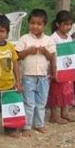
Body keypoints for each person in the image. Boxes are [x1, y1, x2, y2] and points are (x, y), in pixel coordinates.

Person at [16, 9, 56, 137]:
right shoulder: (24, 39)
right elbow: (17, 56)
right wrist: (27, 51)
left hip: (43, 77)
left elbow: (52, 57)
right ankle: (27, 125)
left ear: (44, 25)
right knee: (28, 102)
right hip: (28, 76)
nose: (35, 26)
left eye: (39, 24)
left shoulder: (49, 40)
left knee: (41, 102)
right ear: (28, 24)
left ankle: (39, 124)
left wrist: (45, 52)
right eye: (32, 23)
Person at [48, 10, 75, 124]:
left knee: (66, 91)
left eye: (70, 24)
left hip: (67, 69)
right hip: (57, 69)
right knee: (56, 91)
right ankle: (54, 115)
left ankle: (64, 112)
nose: (68, 27)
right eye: (66, 24)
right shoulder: (53, 38)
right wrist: (54, 70)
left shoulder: (69, 37)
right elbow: (51, 55)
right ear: (58, 24)